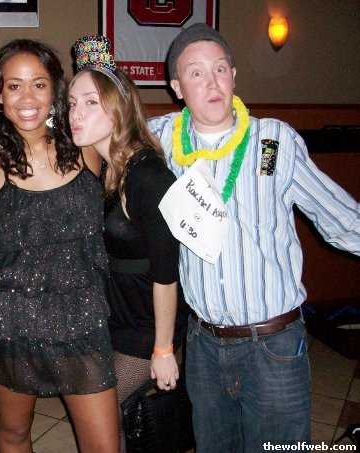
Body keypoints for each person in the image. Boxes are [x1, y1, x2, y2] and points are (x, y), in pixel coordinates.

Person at [147, 23, 360, 452]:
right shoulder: (162, 139)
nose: (212, 82)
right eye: (196, 73)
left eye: (220, 69)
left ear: (234, 75)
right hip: (203, 345)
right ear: (177, 88)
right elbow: (103, 126)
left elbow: (340, 217)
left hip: (274, 346)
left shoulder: (273, 141)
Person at [0, 39, 119, 453]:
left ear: (55, 90)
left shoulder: (85, 144)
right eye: (14, 86)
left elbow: (129, 124)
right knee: (14, 433)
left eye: (39, 84)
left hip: (82, 317)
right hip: (10, 319)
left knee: (104, 445)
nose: (27, 98)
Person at [68, 35, 180, 451]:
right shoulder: (107, 167)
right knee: (103, 415)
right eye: (72, 103)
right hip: (113, 315)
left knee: (98, 404)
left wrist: (163, 348)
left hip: (146, 325)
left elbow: (167, 272)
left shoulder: (148, 176)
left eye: (90, 102)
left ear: (118, 109)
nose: (75, 113)